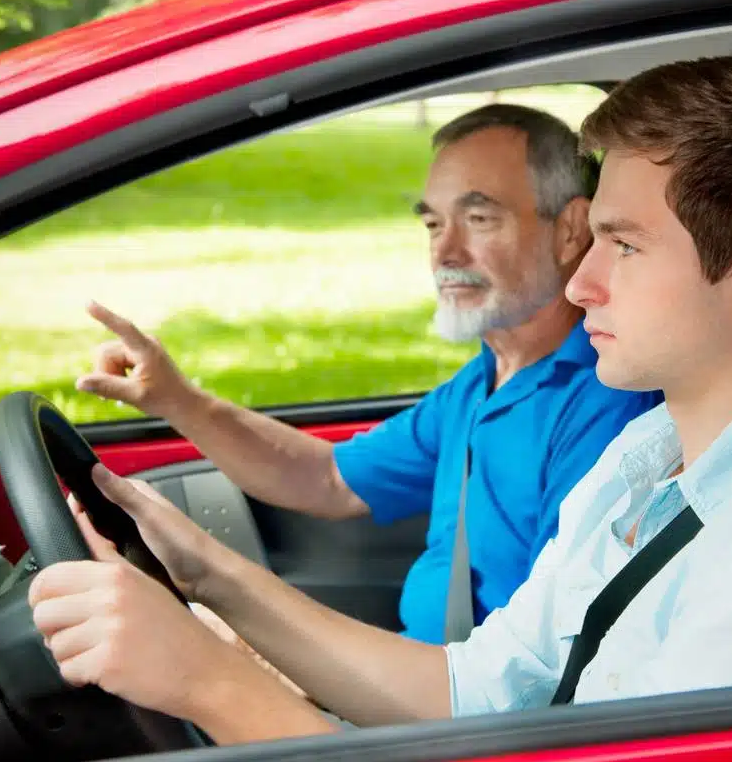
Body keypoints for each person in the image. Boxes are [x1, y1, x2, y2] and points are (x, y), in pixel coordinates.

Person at [30, 56, 732, 745]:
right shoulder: (651, 462)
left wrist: (210, 685)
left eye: (625, 244)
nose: (583, 284)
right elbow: (477, 689)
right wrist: (204, 572)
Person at [73, 104, 660, 645]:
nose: (446, 253)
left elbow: (537, 668)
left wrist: (254, 648)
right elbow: (329, 479)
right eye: (433, 225)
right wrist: (178, 400)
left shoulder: (606, 402)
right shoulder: (486, 379)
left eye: (478, 218)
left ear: (569, 230)